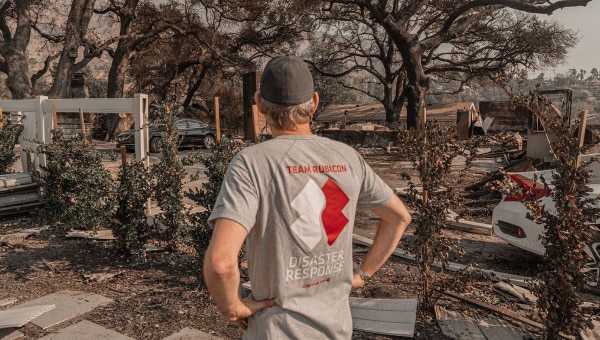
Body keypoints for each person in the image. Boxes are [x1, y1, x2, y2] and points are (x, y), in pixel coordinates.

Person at [203, 55, 411, 339]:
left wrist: (233, 308)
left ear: (260, 105)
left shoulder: (251, 163)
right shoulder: (348, 158)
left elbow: (220, 264)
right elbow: (399, 217)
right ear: (314, 102)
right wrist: (362, 275)